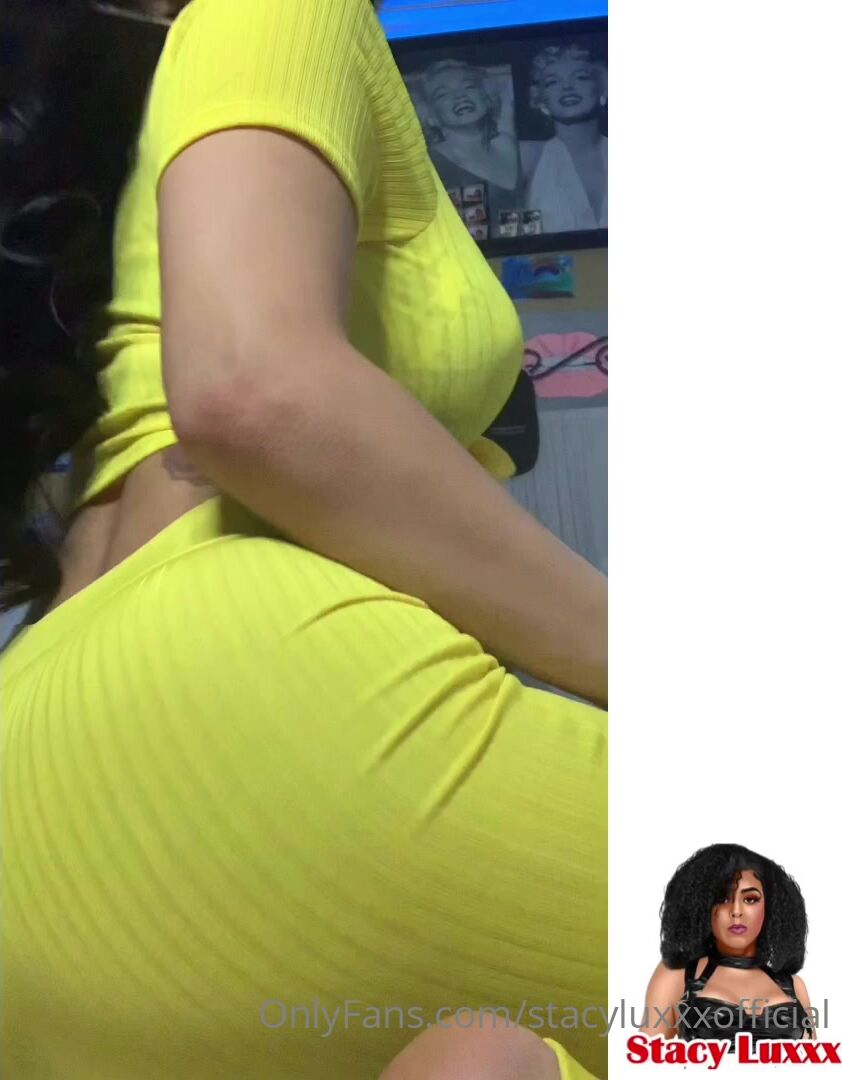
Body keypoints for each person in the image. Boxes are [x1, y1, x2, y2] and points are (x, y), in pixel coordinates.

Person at [0, 1, 607, 1077]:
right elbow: (252, 388)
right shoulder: (272, 12)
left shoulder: (154, 115)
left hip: (38, 786)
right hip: (262, 705)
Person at [640, 844, 815, 1049]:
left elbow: (814, 1061)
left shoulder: (795, 986)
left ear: (771, 906)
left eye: (750, 899)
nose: (736, 911)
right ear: (702, 905)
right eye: (723, 899)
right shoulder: (677, 975)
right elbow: (646, 1058)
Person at [419, 60, 524, 237]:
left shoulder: (512, 144)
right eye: (442, 94)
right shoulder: (427, 165)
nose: (459, 96)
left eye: (468, 86)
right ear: (431, 116)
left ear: (486, 97)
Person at [522, 41, 608, 233]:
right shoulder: (529, 157)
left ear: (602, 88)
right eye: (553, 82)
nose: (567, 87)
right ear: (541, 99)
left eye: (580, 77)